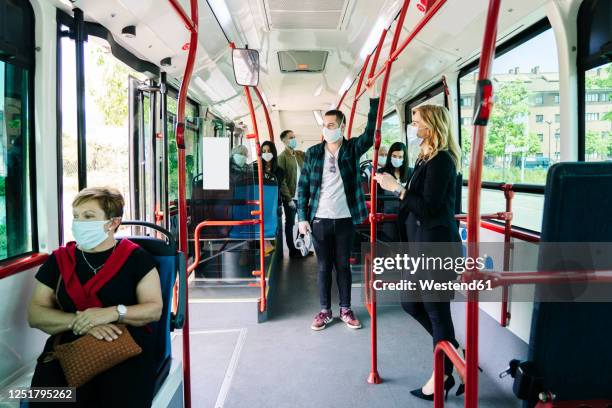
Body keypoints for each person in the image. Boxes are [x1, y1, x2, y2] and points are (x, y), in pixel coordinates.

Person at [28, 187, 163, 408]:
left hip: (123, 346)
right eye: (76, 216)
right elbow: (35, 314)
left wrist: (110, 313)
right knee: (45, 399)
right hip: (68, 346)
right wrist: (82, 322)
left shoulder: (137, 259)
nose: (78, 223)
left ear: (113, 222)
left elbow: (153, 309)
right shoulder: (59, 260)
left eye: (88, 217)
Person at [374, 104, 464, 401]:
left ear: (431, 125)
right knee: (411, 303)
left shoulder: (442, 161)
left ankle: (443, 376)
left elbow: (428, 207)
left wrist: (396, 188)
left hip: (437, 248)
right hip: (419, 248)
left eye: (416, 122)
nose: (413, 127)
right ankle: (453, 355)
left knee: (437, 312)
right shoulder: (426, 158)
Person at [298, 85, 379, 331]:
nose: (326, 129)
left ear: (342, 127)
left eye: (331, 125)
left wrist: (373, 100)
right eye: (324, 125)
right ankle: (324, 310)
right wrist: (302, 217)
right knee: (323, 267)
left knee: (343, 265)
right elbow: (302, 188)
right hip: (319, 219)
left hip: (345, 219)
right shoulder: (312, 153)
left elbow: (370, 132)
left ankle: (345, 308)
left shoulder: (352, 150)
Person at [277, 130, 307, 258]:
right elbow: (282, 180)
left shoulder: (299, 155)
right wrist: (288, 198)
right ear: (284, 141)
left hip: (302, 195)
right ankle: (292, 249)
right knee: (290, 224)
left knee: (304, 222)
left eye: (294, 137)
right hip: (290, 196)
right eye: (291, 138)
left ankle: (300, 245)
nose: (293, 139)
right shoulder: (282, 157)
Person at [376, 141, 409, 242]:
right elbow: (378, 197)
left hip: (406, 214)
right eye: (394, 156)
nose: (397, 159)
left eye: (400, 157)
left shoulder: (410, 173)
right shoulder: (382, 173)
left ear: (404, 158)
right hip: (388, 215)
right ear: (390, 156)